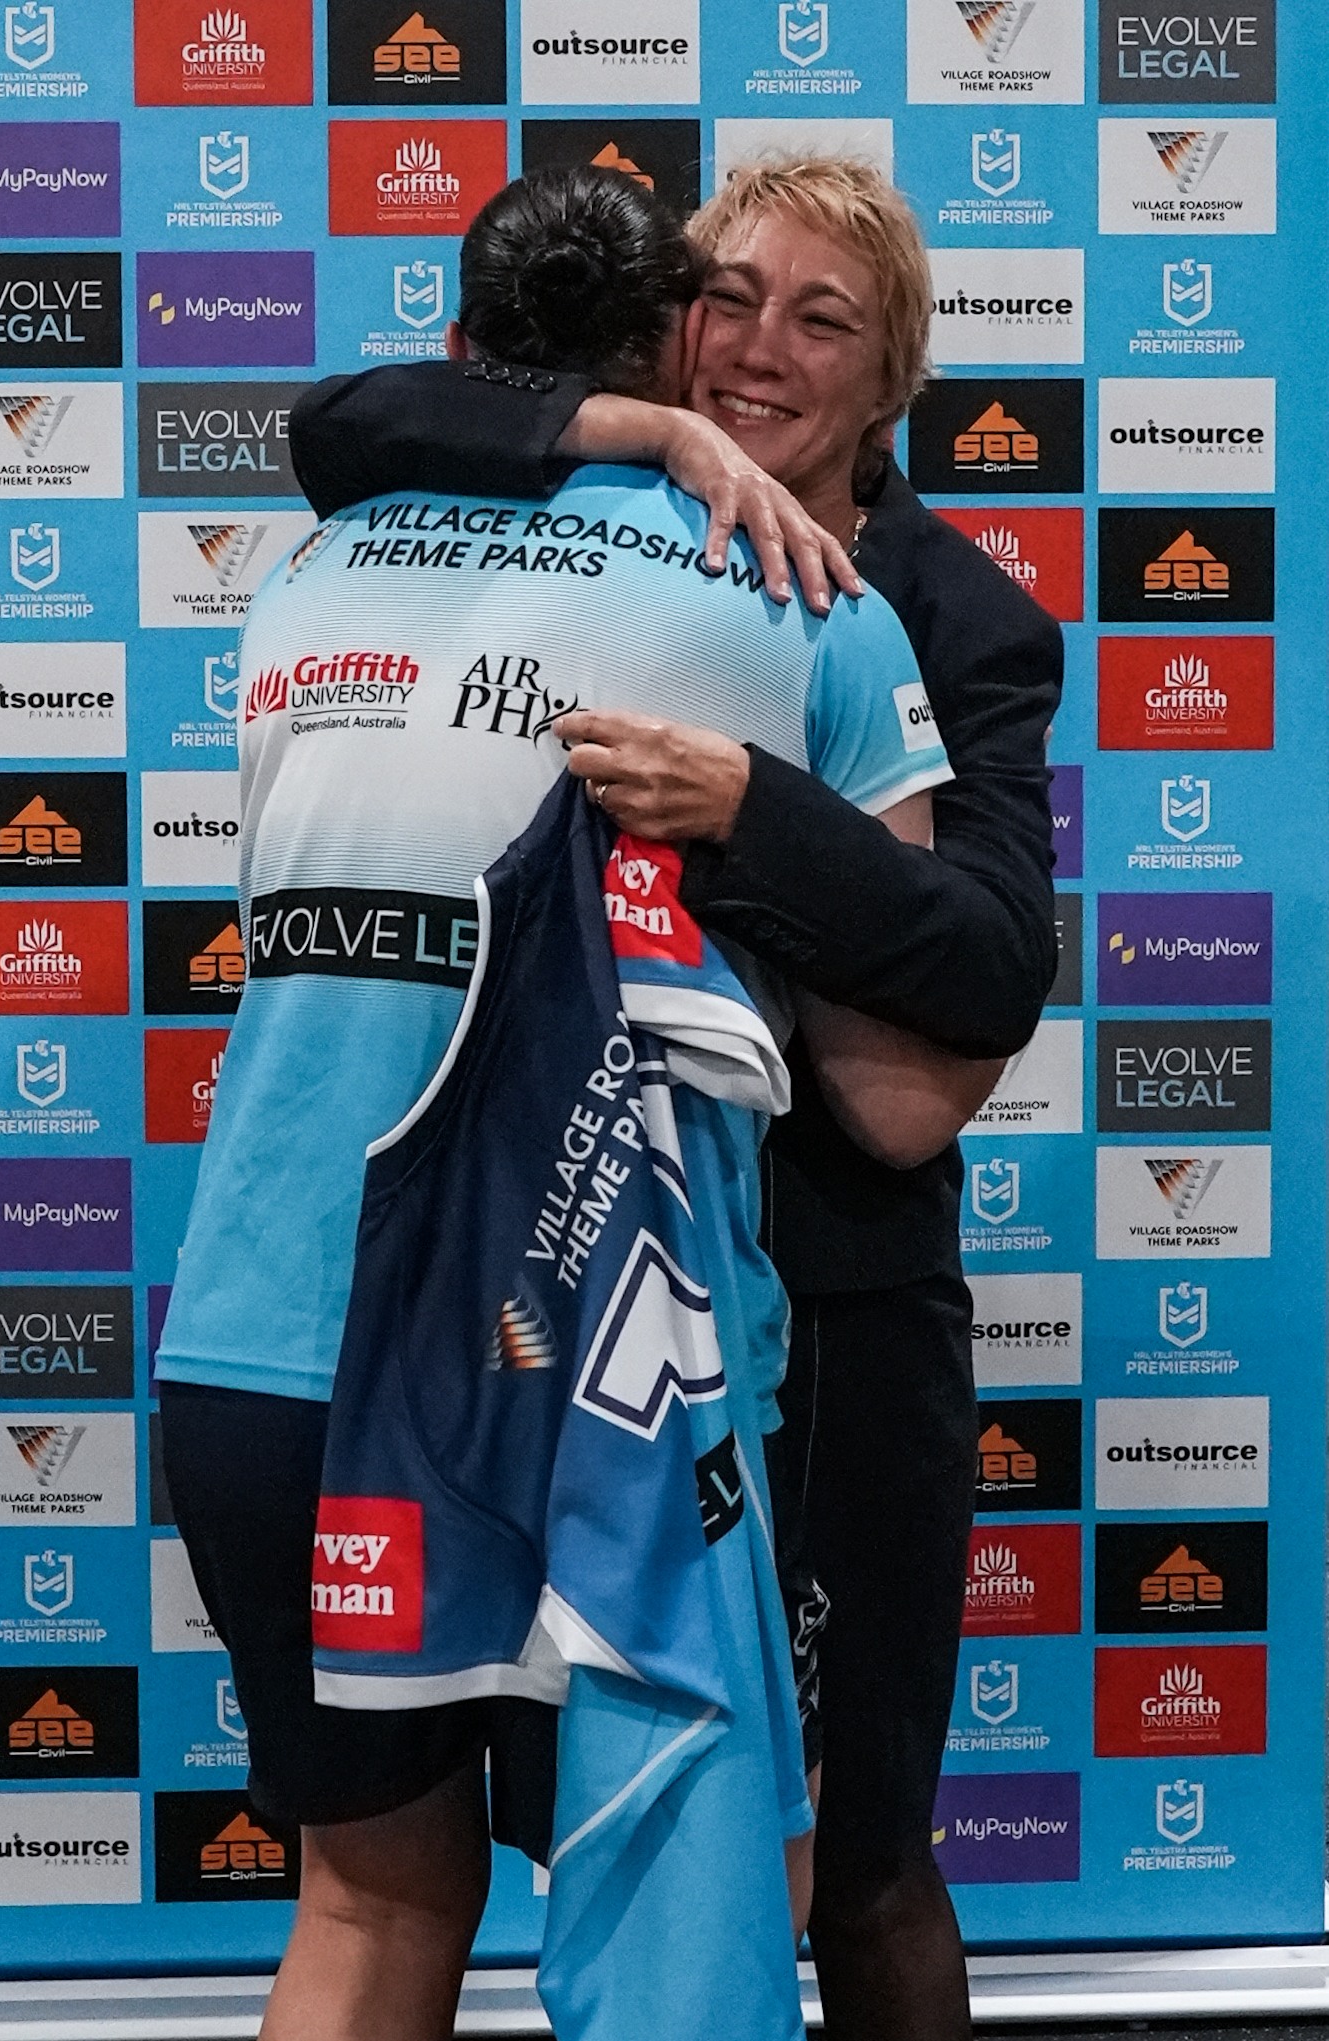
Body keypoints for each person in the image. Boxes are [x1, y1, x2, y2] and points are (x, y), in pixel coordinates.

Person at [157, 165, 958, 2041]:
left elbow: (363, 432)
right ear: (676, 343)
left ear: (466, 342)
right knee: (703, 1916)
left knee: (368, 1898)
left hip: (275, 1346)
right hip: (611, 1371)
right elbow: (898, 1068)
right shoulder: (802, 585)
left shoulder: (302, 576)